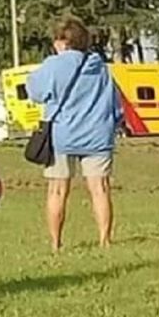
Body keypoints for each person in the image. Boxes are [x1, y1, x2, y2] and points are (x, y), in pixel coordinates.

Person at [26, 18, 124, 252]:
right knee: (100, 189)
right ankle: (104, 241)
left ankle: (56, 243)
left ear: (62, 41)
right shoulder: (101, 68)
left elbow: (35, 92)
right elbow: (116, 105)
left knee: (57, 190)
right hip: (97, 136)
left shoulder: (53, 65)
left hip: (62, 135)